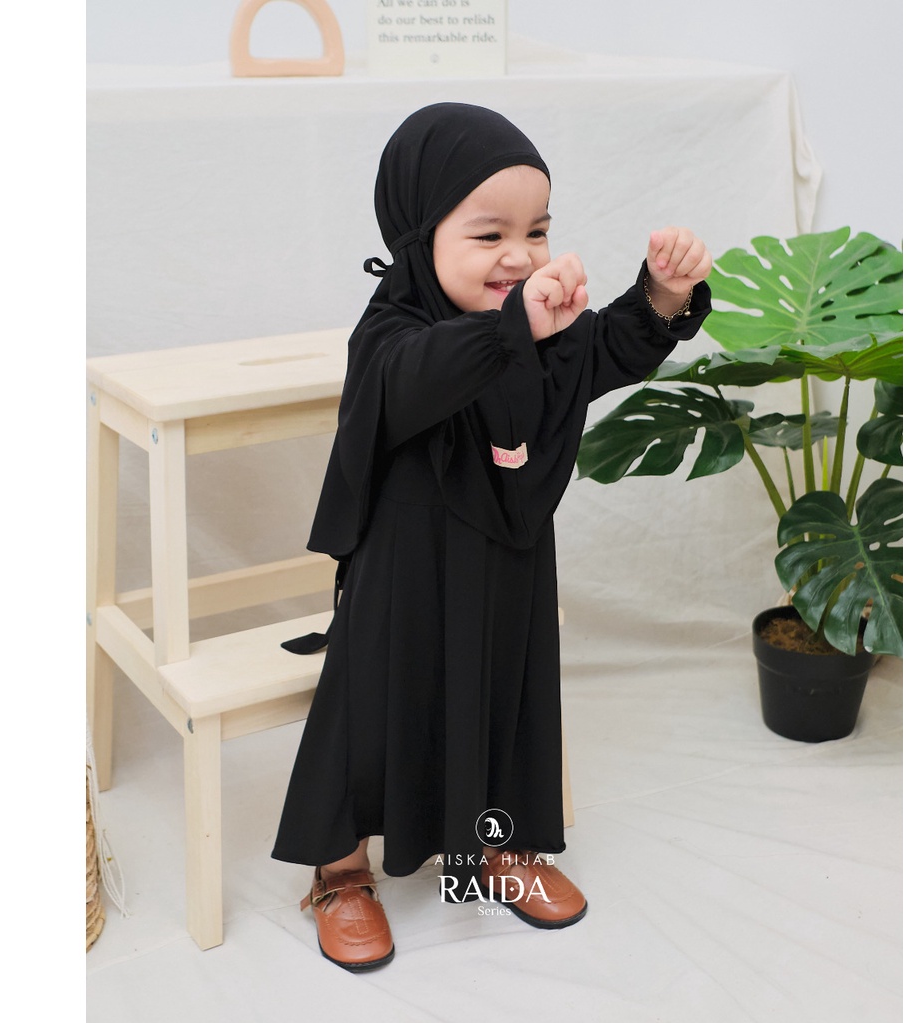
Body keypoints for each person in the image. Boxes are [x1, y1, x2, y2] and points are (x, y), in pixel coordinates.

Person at [272, 102, 712, 972]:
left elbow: (603, 349)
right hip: (404, 574)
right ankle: (340, 869)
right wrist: (516, 331)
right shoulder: (391, 333)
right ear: (418, 236)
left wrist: (662, 295)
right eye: (489, 234)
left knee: (508, 695)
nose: (520, 254)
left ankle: (499, 846)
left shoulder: (537, 329)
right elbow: (417, 377)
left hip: (507, 560)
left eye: (537, 230)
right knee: (371, 703)